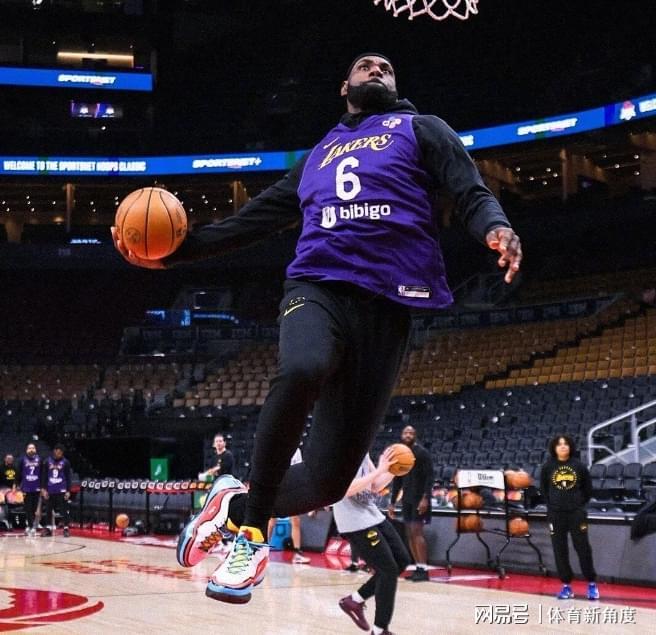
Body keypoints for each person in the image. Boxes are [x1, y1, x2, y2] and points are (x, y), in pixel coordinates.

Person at [114, 52, 522, 603]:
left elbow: (469, 190)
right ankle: (251, 537)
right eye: (364, 65)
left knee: (328, 481)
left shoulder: (422, 129)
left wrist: (496, 226)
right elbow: (252, 220)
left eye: (385, 66)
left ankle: (233, 504)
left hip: (388, 309)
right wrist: (170, 255)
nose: (376, 68)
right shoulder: (318, 155)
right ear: (344, 87)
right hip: (318, 286)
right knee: (304, 366)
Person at [335, 447, 410, 635]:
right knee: (388, 570)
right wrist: (380, 469)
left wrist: (392, 469)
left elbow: (374, 486)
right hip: (354, 520)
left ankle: (355, 600)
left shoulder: (363, 450)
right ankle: (380, 630)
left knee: (402, 560)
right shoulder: (341, 451)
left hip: (371, 514)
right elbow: (347, 489)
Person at [540, 435, 600, 600]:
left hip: (576, 514)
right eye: (559, 444)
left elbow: (588, 489)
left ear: (570, 447)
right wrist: (552, 506)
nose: (563, 446)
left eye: (566, 444)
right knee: (560, 550)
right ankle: (566, 586)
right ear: (554, 448)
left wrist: (579, 506)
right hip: (556, 515)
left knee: (583, 548)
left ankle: (591, 584)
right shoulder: (548, 467)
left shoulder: (579, 466)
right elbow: (544, 489)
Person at [387, 426, 434, 581]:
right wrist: (392, 502)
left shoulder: (422, 453)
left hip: (420, 498)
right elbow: (397, 480)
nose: (408, 435)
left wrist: (426, 498)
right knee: (409, 533)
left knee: (417, 532)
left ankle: (424, 569)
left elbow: (430, 477)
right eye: (405, 433)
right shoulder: (401, 455)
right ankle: (417, 568)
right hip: (407, 498)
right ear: (401, 435)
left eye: (411, 433)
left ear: (415, 436)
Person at [267, 447, 311, 564]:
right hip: (277, 488)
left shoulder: (297, 451)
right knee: (272, 521)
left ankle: (297, 553)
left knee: (296, 520)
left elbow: (300, 471)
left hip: (292, 489)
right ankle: (262, 551)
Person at [40, 444, 72, 538]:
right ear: (54, 451)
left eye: (61, 452)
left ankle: (66, 528)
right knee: (48, 510)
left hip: (62, 490)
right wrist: (43, 489)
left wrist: (68, 491)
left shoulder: (66, 462)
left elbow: (68, 477)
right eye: (58, 452)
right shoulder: (47, 461)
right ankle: (48, 529)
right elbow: (44, 476)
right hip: (50, 490)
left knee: (64, 510)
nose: (59, 454)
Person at [17, 443, 42, 536]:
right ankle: (30, 526)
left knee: (35, 508)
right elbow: (18, 473)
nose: (31, 450)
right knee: (28, 508)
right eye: (29, 448)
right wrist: (17, 484)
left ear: (35, 449)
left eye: (33, 448)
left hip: (37, 488)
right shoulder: (22, 460)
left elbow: (43, 473)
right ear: (26, 450)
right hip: (26, 488)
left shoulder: (40, 459)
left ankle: (33, 525)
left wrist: (43, 486)